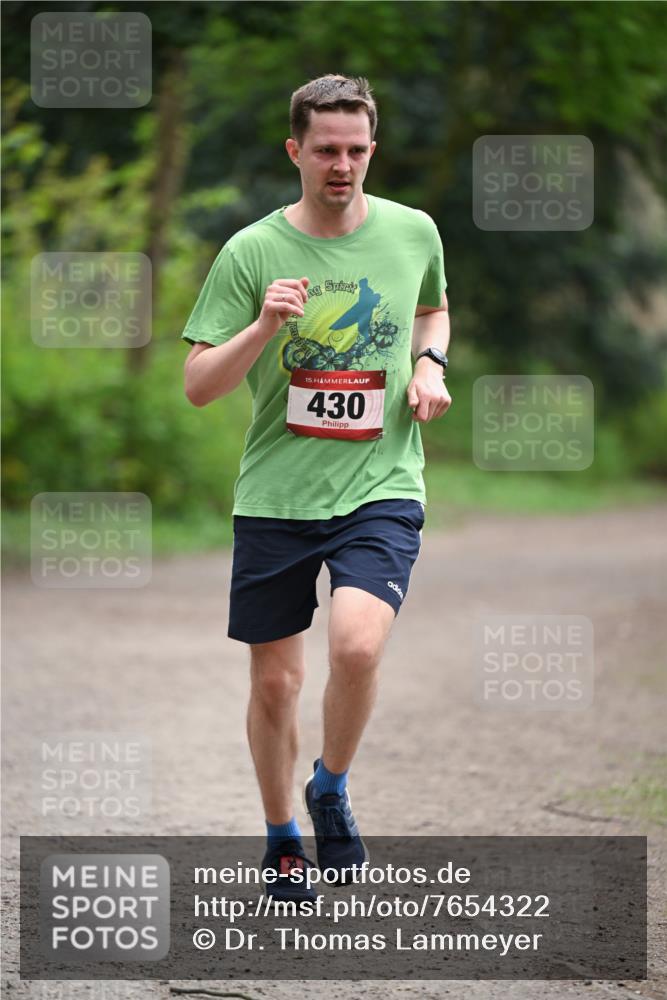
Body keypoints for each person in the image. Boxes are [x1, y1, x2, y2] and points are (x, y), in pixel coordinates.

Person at [182, 74, 451, 902]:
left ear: (372, 151)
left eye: (357, 150)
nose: (342, 165)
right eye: (327, 150)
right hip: (277, 494)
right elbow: (197, 384)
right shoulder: (252, 251)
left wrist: (430, 362)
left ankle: (329, 785)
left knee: (358, 646)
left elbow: (432, 310)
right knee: (275, 683)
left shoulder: (412, 232)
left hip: (381, 480)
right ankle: (280, 836)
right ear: (295, 150)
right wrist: (263, 325)